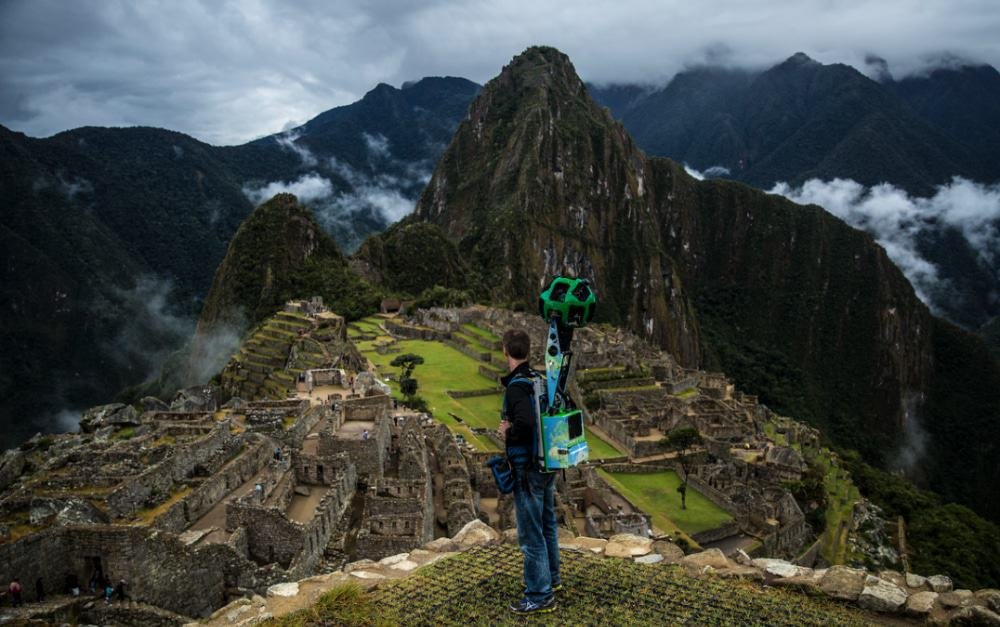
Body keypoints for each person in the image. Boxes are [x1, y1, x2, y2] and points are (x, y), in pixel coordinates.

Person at [498, 329, 560, 615]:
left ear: (505, 351)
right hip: (547, 462)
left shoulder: (516, 387)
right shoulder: (539, 379)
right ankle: (553, 579)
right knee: (547, 525)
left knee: (530, 534)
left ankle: (539, 593)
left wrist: (507, 430)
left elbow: (524, 423)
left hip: (527, 468)